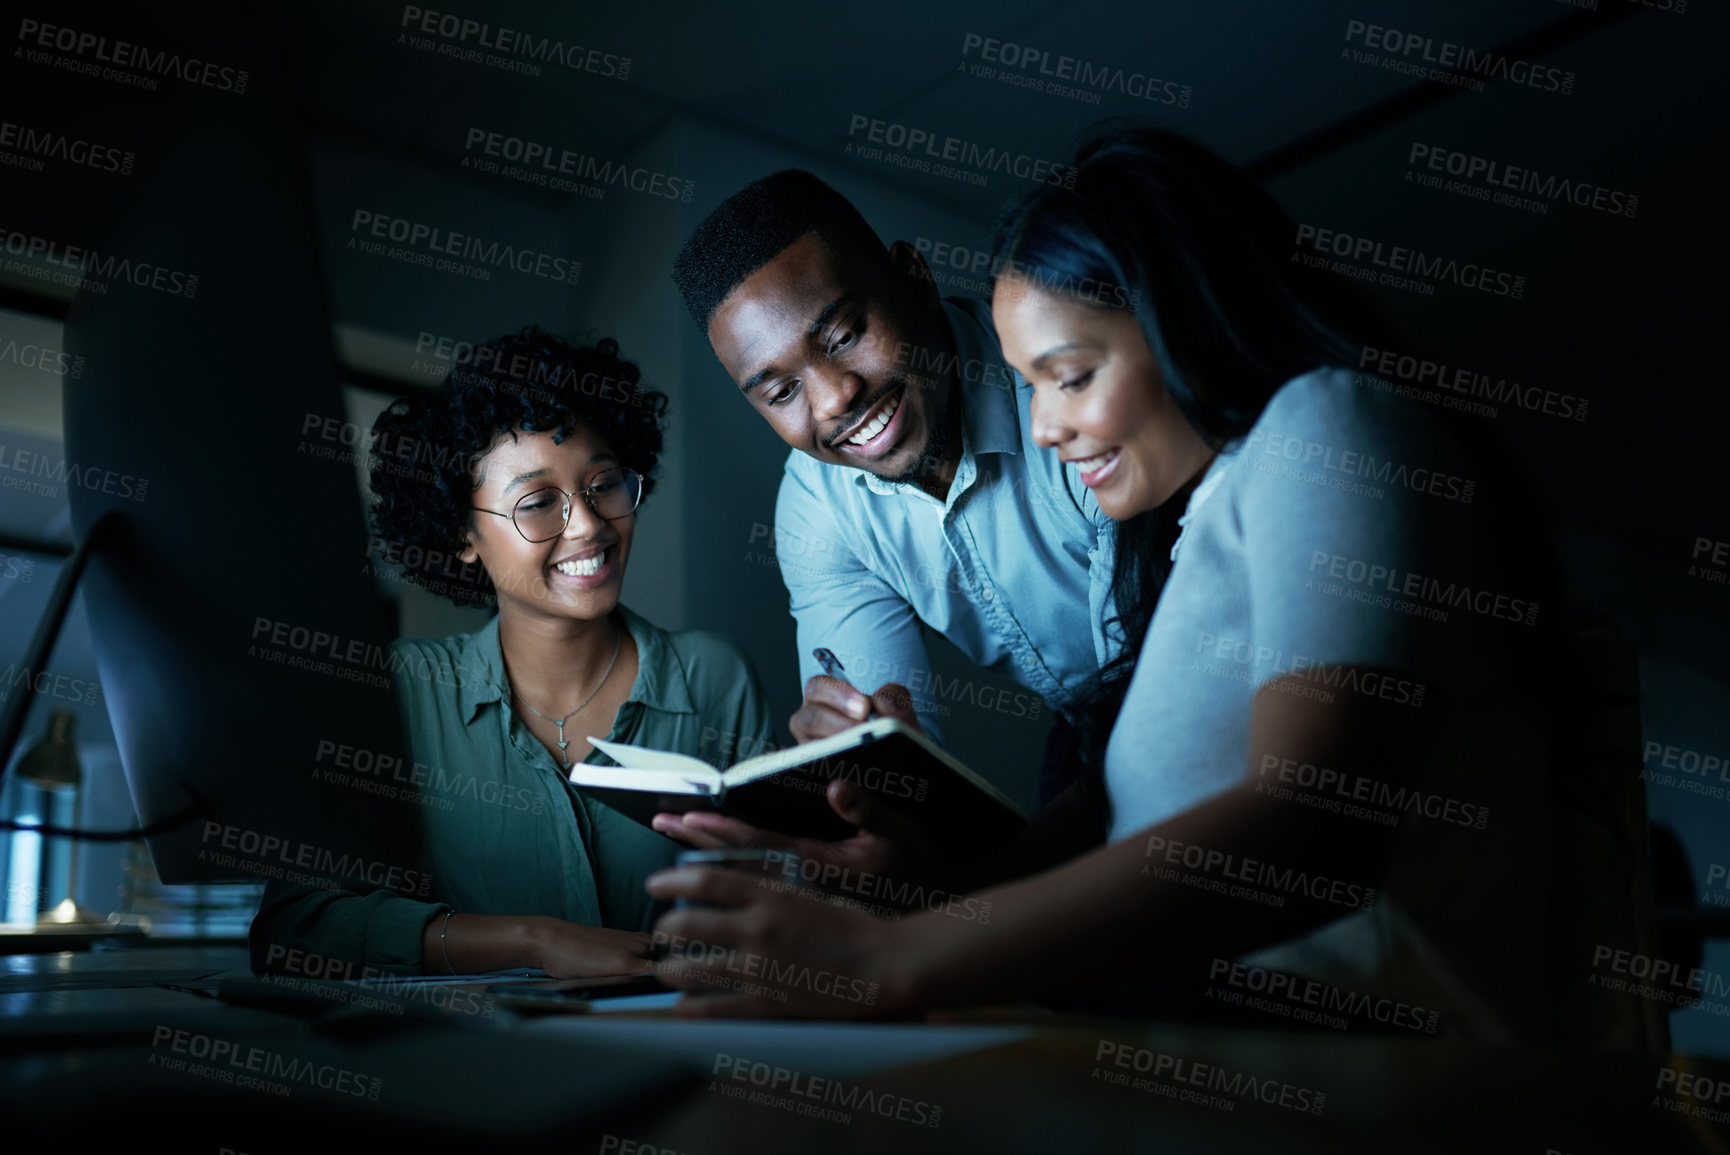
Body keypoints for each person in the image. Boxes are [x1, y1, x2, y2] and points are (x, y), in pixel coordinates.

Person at [644, 128, 1582, 1042]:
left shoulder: (1323, 427)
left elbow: (1313, 830)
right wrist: (887, 877)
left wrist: (892, 959)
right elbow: (1100, 814)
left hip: (1354, 1049)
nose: (1041, 430)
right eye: (1026, 384)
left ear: (1176, 316)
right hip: (1207, 1011)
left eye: (1070, 375)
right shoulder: (1211, 507)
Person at [248, 328, 775, 978]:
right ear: (461, 534)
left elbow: (771, 909)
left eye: (603, 484)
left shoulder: (713, 679)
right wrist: (529, 939)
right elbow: (297, 926)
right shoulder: (401, 691)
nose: (587, 525)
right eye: (537, 503)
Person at [665, 171, 1118, 788]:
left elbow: (1170, 695)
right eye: (780, 391)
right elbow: (895, 756)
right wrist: (865, 764)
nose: (832, 400)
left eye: (845, 336)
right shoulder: (815, 504)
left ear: (914, 278)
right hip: (1086, 728)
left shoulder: (1060, 379)